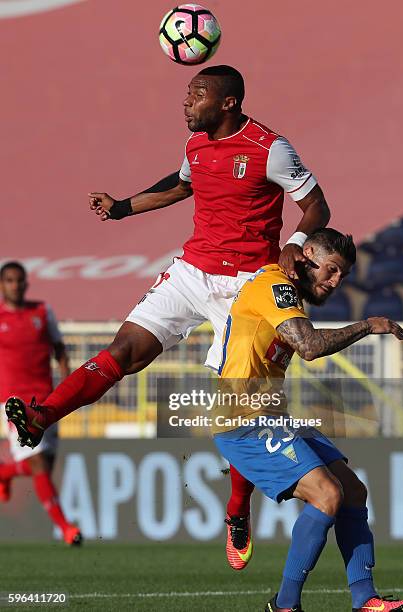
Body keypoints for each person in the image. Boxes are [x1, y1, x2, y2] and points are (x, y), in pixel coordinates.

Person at [4, 65, 329, 561]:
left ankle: (237, 508)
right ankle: (42, 415)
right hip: (194, 269)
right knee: (124, 351)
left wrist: (297, 244)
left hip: (249, 283)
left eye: (197, 94)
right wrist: (121, 208)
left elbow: (316, 206)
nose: (186, 102)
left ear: (228, 102)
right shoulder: (196, 144)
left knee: (242, 405)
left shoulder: (270, 148)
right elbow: (181, 186)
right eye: (186, 94)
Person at [211, 228, 403, 612]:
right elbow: (311, 347)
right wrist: (368, 325)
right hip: (241, 420)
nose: (334, 282)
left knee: (353, 492)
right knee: (327, 494)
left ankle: (365, 599)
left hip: (269, 416)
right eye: (331, 270)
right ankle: (285, 605)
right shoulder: (275, 287)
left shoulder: (288, 295)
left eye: (342, 277)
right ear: (308, 254)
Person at [0, 262, 82, 546]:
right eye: (9, 280)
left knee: (43, 463)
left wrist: (66, 378)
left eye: (19, 280)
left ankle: (3, 473)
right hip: (13, 403)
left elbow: (59, 348)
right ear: (2, 285)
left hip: (46, 399)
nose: (16, 285)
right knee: (37, 463)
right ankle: (66, 528)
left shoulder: (43, 312)